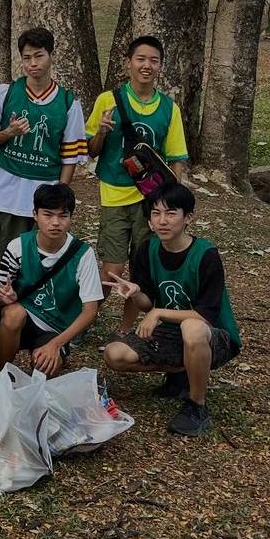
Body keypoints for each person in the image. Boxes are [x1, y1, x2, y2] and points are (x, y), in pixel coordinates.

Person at [103, 183, 240, 437]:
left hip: (213, 336)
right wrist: (135, 293)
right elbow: (147, 304)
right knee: (114, 354)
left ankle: (197, 406)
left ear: (188, 218)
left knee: (192, 328)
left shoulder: (206, 254)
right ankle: (181, 376)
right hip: (171, 333)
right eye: (156, 213)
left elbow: (205, 316)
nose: (162, 221)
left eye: (171, 213)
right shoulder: (148, 249)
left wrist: (158, 313)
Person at [86, 35, 188, 331]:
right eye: (140, 59)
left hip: (151, 201)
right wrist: (102, 132)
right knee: (112, 268)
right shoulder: (108, 100)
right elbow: (90, 150)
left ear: (160, 66)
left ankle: (126, 329)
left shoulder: (170, 108)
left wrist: (171, 200)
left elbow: (176, 157)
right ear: (128, 62)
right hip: (114, 194)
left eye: (153, 61)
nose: (147, 66)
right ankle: (85, 322)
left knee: (140, 271)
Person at [0, 27, 88, 282]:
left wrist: (59, 199)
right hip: (5, 194)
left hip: (43, 193)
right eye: (27, 57)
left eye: (39, 56)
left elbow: (69, 156)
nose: (33, 64)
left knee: (39, 261)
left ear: (51, 55)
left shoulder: (68, 103)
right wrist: (8, 132)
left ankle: (33, 316)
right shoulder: (4, 93)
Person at [0, 184, 102, 376]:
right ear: (35, 214)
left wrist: (55, 344)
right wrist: (4, 298)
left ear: (71, 217)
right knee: (13, 314)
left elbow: (90, 310)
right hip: (25, 315)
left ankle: (48, 362)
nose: (55, 222)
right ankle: (4, 374)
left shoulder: (83, 254)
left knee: (45, 368)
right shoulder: (18, 246)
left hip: (56, 327)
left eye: (63, 215)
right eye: (48, 215)